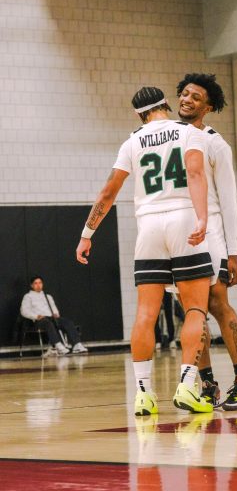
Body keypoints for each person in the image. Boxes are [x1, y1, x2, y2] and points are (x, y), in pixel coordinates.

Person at [76, 87, 214, 416]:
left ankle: (143, 394)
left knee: (145, 314)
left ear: (139, 114)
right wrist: (202, 217)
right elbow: (194, 172)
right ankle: (186, 385)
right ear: (166, 104)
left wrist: (86, 234)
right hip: (182, 219)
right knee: (195, 308)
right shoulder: (188, 131)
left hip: (148, 227)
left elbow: (108, 193)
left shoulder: (132, 142)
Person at [176, 73, 237, 411]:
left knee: (216, 303)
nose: (187, 99)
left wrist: (233, 252)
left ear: (208, 107)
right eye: (184, 93)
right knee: (192, 310)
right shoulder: (173, 139)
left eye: (195, 97)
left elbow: (229, 202)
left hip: (211, 234)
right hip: (182, 235)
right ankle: (207, 384)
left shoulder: (215, 143)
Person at [20, 276, 88, 355]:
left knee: (66, 322)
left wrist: (56, 313)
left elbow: (54, 308)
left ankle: (77, 344)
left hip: (51, 318)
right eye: (36, 283)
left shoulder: (48, 296)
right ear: (31, 285)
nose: (38, 285)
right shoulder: (28, 296)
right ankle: (58, 346)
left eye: (40, 283)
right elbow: (24, 311)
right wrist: (36, 316)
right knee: (48, 323)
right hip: (39, 320)